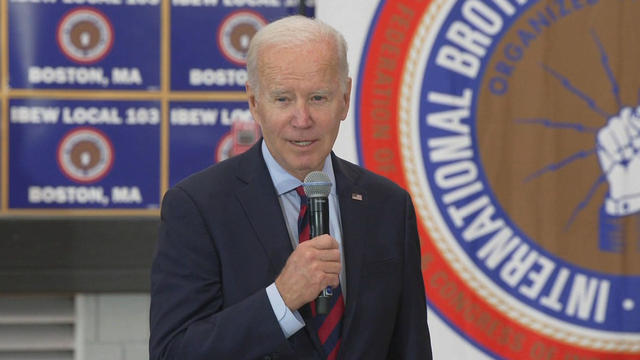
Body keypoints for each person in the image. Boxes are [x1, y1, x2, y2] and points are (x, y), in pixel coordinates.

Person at [150, 15, 433, 360]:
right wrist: (281, 300)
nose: (302, 119)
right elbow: (173, 352)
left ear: (345, 98)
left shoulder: (388, 205)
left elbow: (410, 346)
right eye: (283, 99)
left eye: (318, 97)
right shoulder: (197, 207)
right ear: (255, 103)